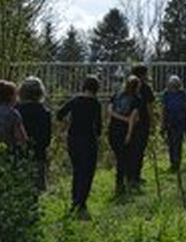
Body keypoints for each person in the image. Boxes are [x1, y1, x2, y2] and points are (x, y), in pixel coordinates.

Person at [57, 76, 102, 219]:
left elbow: (59, 114)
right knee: (87, 171)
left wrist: (65, 125)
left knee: (77, 170)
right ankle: (81, 201)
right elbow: (99, 126)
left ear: (84, 86)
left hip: (73, 139)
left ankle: (75, 198)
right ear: (96, 89)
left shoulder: (75, 101)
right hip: (88, 139)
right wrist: (98, 134)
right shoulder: (95, 104)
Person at [16, 77, 52, 190]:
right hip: (38, 155)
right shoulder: (45, 112)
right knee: (36, 191)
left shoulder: (16, 110)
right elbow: (46, 139)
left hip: (18, 154)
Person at [108, 75, 141, 194]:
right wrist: (129, 133)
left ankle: (121, 183)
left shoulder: (116, 96)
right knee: (126, 157)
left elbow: (110, 111)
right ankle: (123, 182)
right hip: (125, 131)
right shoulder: (136, 99)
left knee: (119, 157)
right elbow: (132, 118)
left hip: (113, 130)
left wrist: (120, 118)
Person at [130, 65, 155, 184]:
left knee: (130, 149)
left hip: (127, 121)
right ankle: (135, 176)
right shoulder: (145, 88)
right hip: (142, 122)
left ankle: (127, 175)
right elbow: (149, 106)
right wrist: (152, 122)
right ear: (143, 74)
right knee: (139, 149)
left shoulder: (128, 86)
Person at [161, 75, 186, 172]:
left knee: (178, 142)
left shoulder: (182, 93)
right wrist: (162, 123)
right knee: (171, 142)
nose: (174, 85)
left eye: (176, 83)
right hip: (170, 120)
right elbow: (164, 109)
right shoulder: (166, 94)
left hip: (180, 120)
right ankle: (173, 162)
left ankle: (177, 162)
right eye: (172, 83)